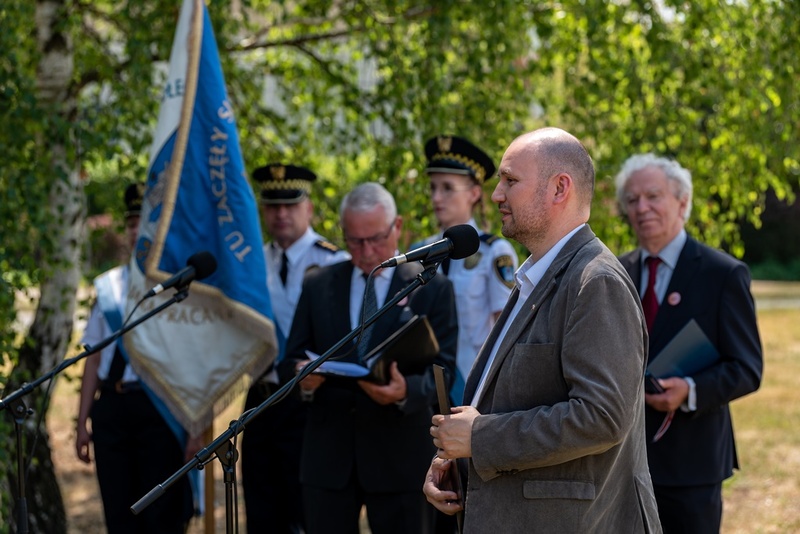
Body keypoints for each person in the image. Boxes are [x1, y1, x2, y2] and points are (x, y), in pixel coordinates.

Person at [423, 127, 662, 533]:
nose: (497, 194)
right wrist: (458, 460)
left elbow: (601, 417)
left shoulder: (595, 280)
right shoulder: (537, 275)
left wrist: (480, 438)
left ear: (559, 188)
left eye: (510, 180)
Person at [279, 182, 458, 534]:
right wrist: (303, 378)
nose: (366, 251)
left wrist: (406, 390)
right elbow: (289, 361)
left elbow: (446, 370)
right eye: (354, 241)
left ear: (398, 227)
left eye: (375, 238)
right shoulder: (319, 284)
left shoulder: (430, 286)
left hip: (400, 457)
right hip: (328, 460)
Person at [615, 153, 763, 533]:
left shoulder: (722, 274)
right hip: (623, 463)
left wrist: (691, 391)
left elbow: (746, 368)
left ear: (682, 202)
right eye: (632, 200)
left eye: (653, 196)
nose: (642, 207)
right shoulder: (614, 273)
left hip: (690, 464)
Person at [75, 183, 193, 534]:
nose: (136, 233)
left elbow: (191, 363)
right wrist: (82, 421)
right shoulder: (107, 287)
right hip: (112, 409)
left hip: (158, 408)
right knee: (119, 513)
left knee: (161, 516)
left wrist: (196, 424)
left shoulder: (179, 290)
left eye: (145, 226)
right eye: (131, 225)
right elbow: (93, 358)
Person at [243, 163, 349, 533]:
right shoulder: (250, 263)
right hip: (260, 397)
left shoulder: (334, 262)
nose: (281, 214)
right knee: (262, 509)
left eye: (291, 205)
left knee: (308, 511)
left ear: (309, 207)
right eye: (272, 206)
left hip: (310, 402)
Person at [415, 135, 518, 404]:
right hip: (423, 384)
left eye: (448, 188)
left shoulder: (494, 252)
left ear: (474, 193)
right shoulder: (419, 252)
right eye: (433, 187)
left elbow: (504, 330)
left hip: (470, 385)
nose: (437, 197)